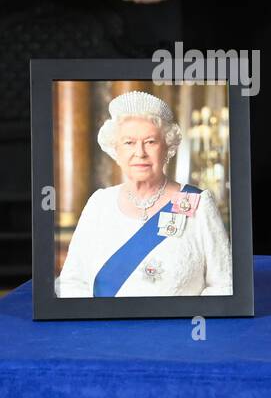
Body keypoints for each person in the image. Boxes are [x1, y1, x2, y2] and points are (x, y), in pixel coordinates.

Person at [56, 90, 233, 297]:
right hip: (107, 328)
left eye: (150, 142)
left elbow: (224, 285)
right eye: (129, 143)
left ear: (167, 148)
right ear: (116, 150)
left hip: (176, 328)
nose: (139, 152)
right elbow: (72, 282)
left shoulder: (197, 203)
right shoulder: (99, 204)